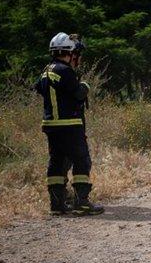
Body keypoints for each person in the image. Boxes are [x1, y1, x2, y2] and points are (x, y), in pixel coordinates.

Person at [34, 33, 103, 216]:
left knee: (57, 163)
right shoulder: (65, 71)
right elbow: (78, 94)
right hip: (70, 125)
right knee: (81, 161)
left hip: (51, 126)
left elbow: (38, 88)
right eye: (76, 54)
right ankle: (82, 203)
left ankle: (57, 205)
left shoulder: (46, 70)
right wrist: (86, 86)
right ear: (69, 53)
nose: (78, 58)